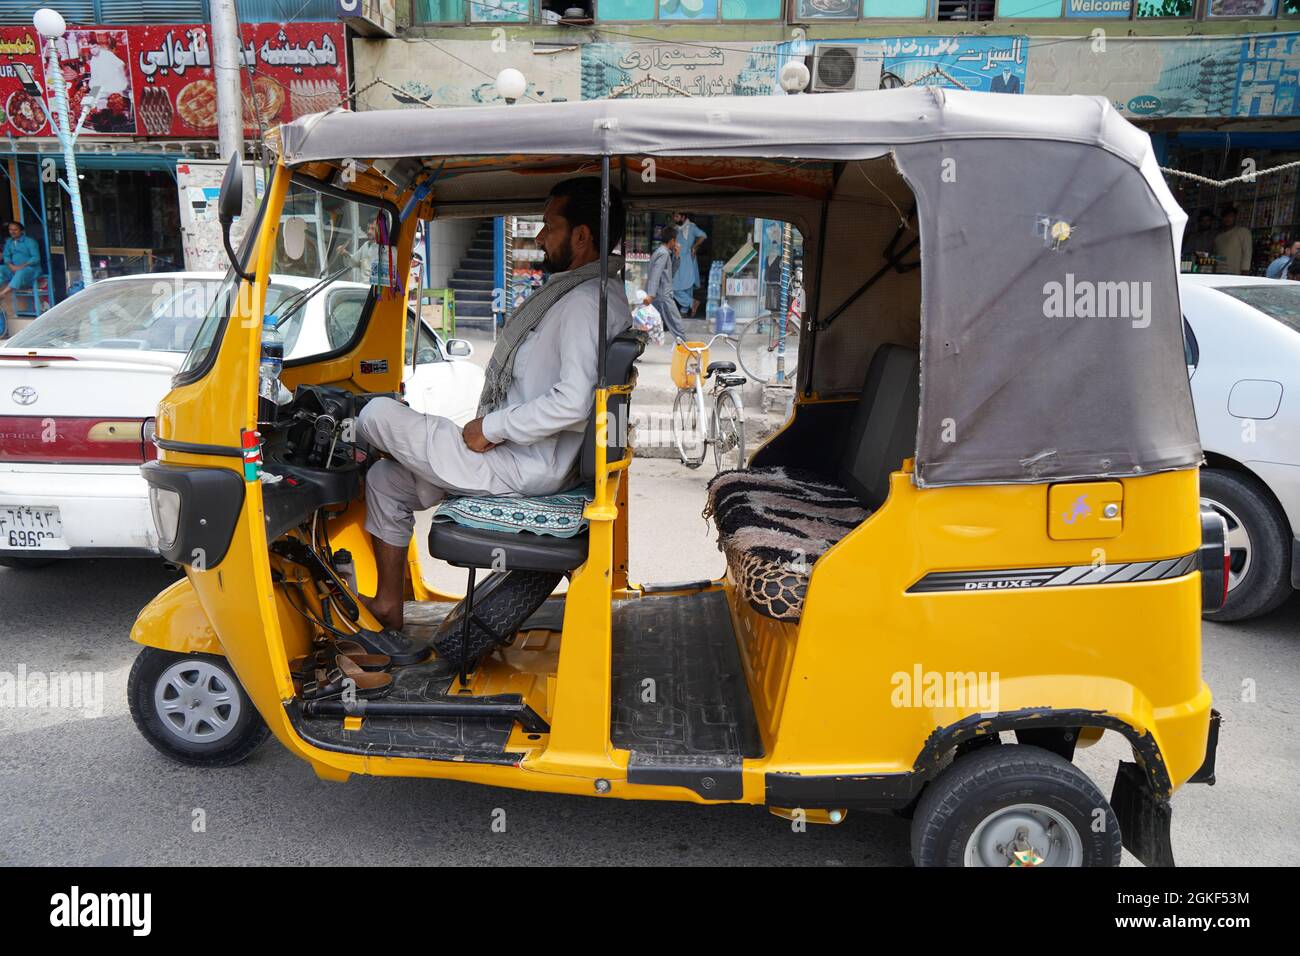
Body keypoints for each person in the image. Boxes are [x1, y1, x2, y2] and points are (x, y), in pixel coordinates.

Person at [356, 178, 633, 631]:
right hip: (517, 453)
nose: (540, 238)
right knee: (386, 480)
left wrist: (490, 429)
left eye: (549, 227)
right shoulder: (583, 294)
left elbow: (573, 402)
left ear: (581, 236)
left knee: (374, 415)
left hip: (523, 463)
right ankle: (390, 604)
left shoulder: (585, 303)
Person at [645, 223, 686, 341]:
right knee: (677, 323)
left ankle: (635, 349)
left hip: (659, 294)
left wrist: (677, 257)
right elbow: (656, 274)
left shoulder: (662, 252)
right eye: (676, 240)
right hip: (663, 295)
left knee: (649, 325)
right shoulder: (663, 254)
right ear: (672, 240)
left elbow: (670, 274)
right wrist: (651, 294)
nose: (676, 243)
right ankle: (687, 350)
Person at [0, 221, 42, 326]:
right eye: (10, 230)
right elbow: (6, 257)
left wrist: (20, 266)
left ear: (21, 231)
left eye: (15, 229)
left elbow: (36, 258)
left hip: (31, 269)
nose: (12, 232)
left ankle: (3, 293)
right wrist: (11, 266)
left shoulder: (30, 242)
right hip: (13, 268)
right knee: (1, 269)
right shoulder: (9, 242)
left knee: (21, 272)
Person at [672, 211, 707, 317]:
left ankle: (684, 311)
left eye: (677, 216)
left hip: (687, 259)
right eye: (674, 216)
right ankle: (692, 302)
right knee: (673, 287)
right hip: (677, 259)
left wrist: (695, 247)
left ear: (683, 217)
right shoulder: (676, 228)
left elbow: (703, 236)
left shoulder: (691, 227)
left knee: (687, 286)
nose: (674, 218)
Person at [1214, 207, 1253, 276]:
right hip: (1220, 274)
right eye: (1225, 217)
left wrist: (1245, 272)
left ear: (1235, 218)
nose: (1227, 219)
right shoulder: (1218, 238)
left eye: (1231, 216)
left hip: (1237, 274)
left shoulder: (1243, 232)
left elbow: (1247, 253)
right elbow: (1216, 257)